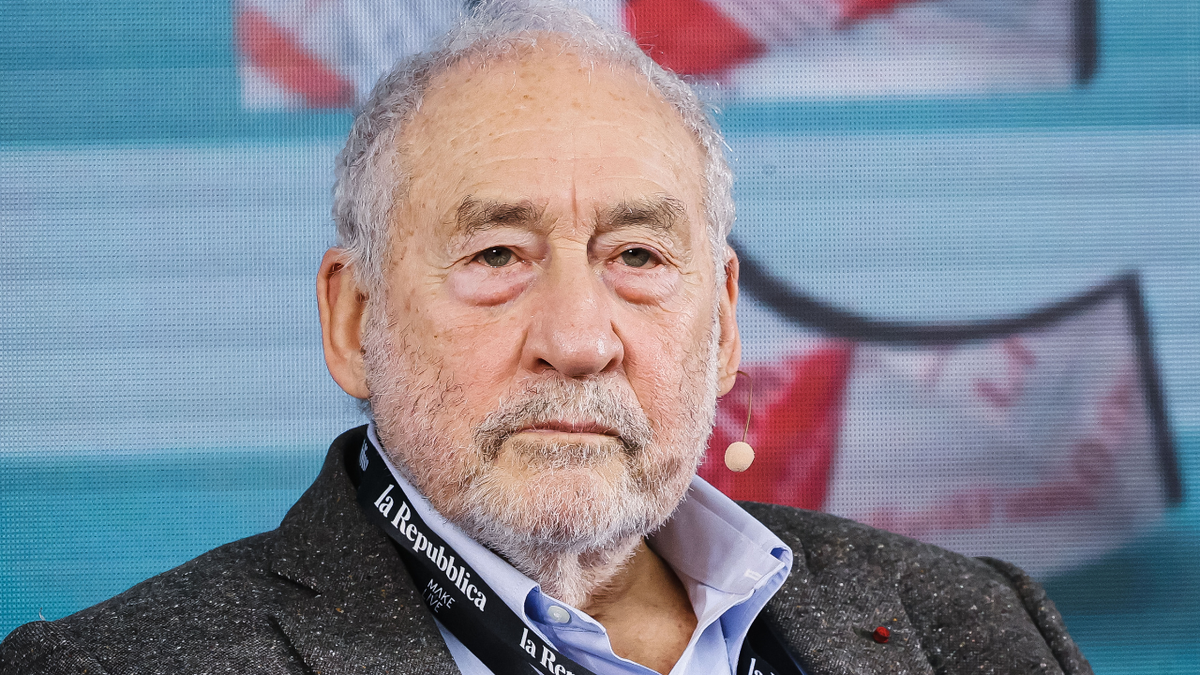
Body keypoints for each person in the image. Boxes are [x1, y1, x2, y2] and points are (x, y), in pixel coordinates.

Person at [0, 2, 1092, 673]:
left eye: (638, 258)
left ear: (720, 326)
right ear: (353, 320)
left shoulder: (975, 628)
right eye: (495, 257)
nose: (578, 340)